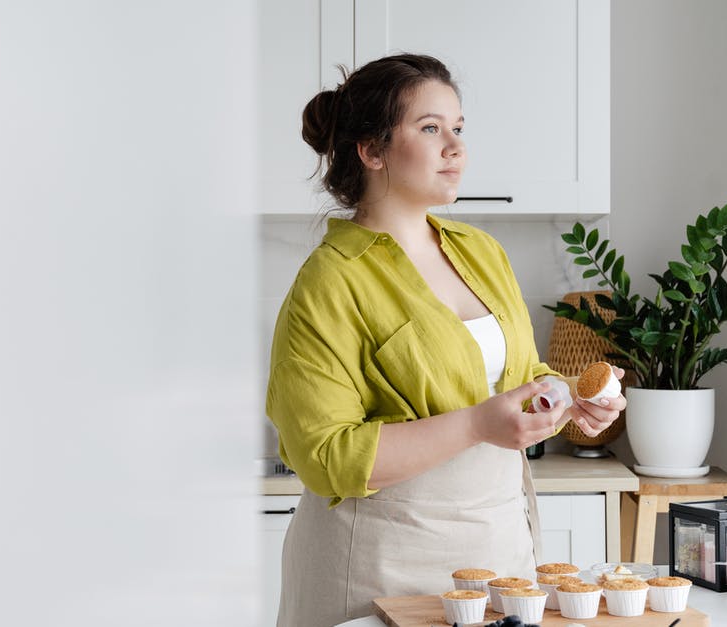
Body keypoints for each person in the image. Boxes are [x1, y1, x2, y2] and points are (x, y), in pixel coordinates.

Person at [264, 53, 626, 625]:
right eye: (430, 129)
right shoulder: (330, 279)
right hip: (377, 565)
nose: (455, 147)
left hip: (498, 552)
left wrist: (569, 402)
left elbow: (525, 377)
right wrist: (480, 424)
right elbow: (324, 456)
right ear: (372, 150)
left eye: (458, 129)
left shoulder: (481, 252)